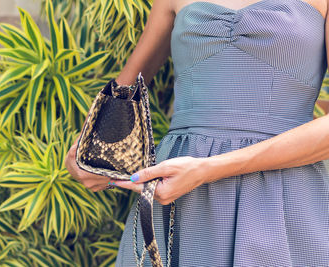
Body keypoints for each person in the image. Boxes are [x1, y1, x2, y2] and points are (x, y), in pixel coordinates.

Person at [64, 0, 329, 266]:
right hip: (179, 197)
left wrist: (210, 168)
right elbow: (122, 95)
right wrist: (88, 155)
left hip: (286, 190)